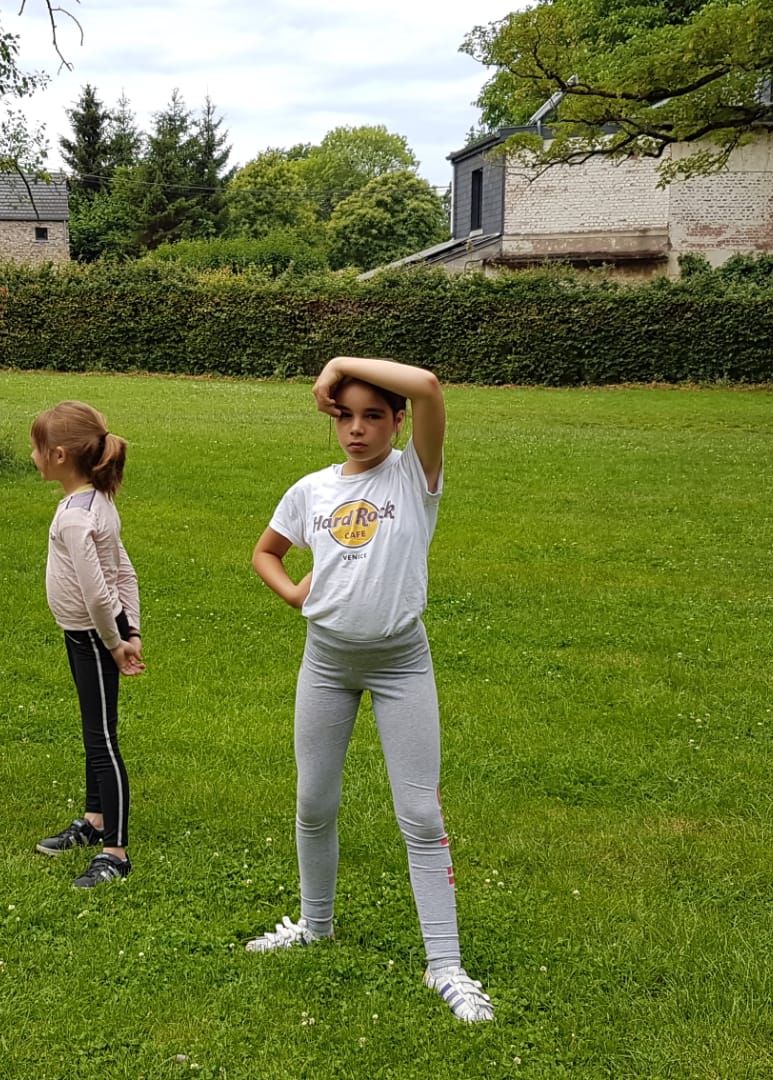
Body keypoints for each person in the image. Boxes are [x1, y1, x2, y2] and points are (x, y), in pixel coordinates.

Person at [245, 356, 493, 1023]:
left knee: (422, 815)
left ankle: (445, 964)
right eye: (345, 415)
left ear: (398, 422)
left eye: (373, 416)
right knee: (313, 801)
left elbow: (431, 386)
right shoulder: (311, 491)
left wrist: (335, 365)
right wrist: (293, 593)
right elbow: (266, 552)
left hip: (400, 664)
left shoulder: (415, 476)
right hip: (326, 663)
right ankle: (315, 925)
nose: (357, 429)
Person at [29, 401, 144, 888]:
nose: (32, 456)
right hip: (95, 634)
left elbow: (100, 591)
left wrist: (117, 641)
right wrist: (131, 631)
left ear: (58, 455)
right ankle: (95, 819)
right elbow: (124, 572)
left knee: (101, 740)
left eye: (36, 448)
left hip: (94, 636)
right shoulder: (95, 501)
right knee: (96, 730)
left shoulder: (78, 517)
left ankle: (114, 852)